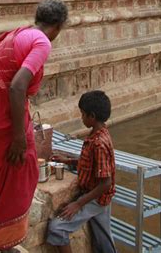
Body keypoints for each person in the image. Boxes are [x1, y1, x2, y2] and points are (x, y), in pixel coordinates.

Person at [0, 0, 68, 252]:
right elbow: (17, 85)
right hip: (0, 112)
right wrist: (19, 136)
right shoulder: (41, 41)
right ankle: (1, 237)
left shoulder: (20, 34)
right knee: (22, 166)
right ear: (57, 26)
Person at [47, 90, 117, 253]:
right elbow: (92, 164)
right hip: (98, 195)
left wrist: (78, 204)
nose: (81, 118)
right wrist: (69, 161)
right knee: (103, 238)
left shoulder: (99, 143)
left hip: (97, 197)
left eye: (83, 114)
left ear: (91, 116)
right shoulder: (98, 134)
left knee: (57, 227)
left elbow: (105, 183)